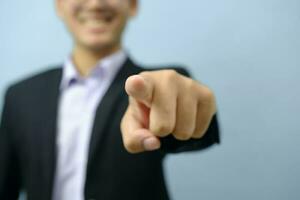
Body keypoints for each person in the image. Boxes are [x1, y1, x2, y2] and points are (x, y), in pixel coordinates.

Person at [0, 0, 220, 200]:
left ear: (132, 5)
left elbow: (195, 128)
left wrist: (186, 111)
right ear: (59, 5)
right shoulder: (20, 95)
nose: (95, 3)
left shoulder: (158, 88)